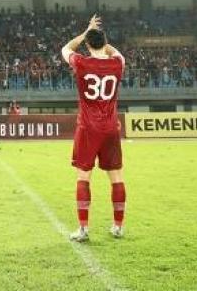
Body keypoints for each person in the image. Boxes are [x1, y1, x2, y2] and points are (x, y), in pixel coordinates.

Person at [61, 14, 126, 242]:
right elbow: (115, 52)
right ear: (105, 43)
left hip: (88, 128)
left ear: (88, 44)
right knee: (116, 177)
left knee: (83, 177)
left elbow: (66, 48)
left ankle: (83, 229)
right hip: (110, 128)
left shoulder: (81, 62)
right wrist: (101, 40)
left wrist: (86, 31)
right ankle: (118, 226)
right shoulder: (118, 63)